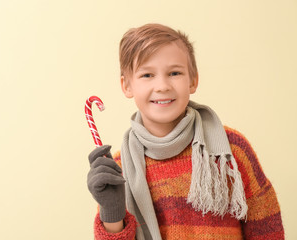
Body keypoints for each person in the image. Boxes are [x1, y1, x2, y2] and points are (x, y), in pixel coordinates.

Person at [87, 23, 284, 240]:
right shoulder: (119, 169)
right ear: (127, 86)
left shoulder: (229, 149)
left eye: (174, 72)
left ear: (193, 80)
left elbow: (266, 227)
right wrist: (111, 211)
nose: (162, 85)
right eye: (147, 75)